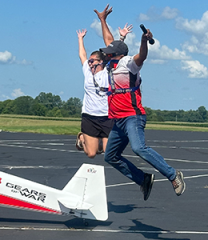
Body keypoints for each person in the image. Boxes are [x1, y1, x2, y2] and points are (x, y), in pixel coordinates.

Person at [95, 4, 185, 200]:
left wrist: (144, 41)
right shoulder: (111, 64)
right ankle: (143, 179)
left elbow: (141, 56)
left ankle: (173, 175)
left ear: (117, 54)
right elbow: (109, 40)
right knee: (110, 156)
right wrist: (103, 20)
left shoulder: (129, 64)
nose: (106, 53)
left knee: (138, 148)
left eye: (109, 52)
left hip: (132, 117)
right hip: (118, 121)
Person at [75, 28, 120, 158]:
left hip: (106, 116)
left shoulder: (108, 72)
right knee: (91, 154)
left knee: (108, 154)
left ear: (100, 62)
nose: (89, 63)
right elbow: (82, 55)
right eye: (89, 61)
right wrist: (80, 39)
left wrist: (122, 38)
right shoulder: (87, 72)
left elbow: (115, 53)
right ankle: (83, 138)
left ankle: (98, 140)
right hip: (90, 116)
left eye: (92, 61)